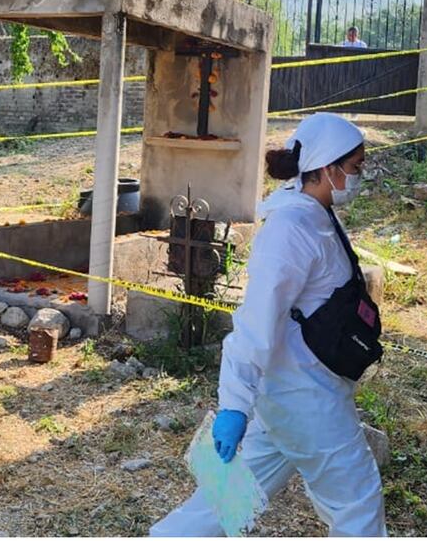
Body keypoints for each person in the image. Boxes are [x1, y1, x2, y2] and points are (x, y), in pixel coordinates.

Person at [150, 112, 386, 537]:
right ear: (329, 169)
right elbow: (255, 324)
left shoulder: (316, 213)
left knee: (228, 499)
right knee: (358, 501)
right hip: (306, 400)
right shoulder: (291, 229)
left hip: (292, 395)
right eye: (354, 168)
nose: (359, 176)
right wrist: (234, 405)